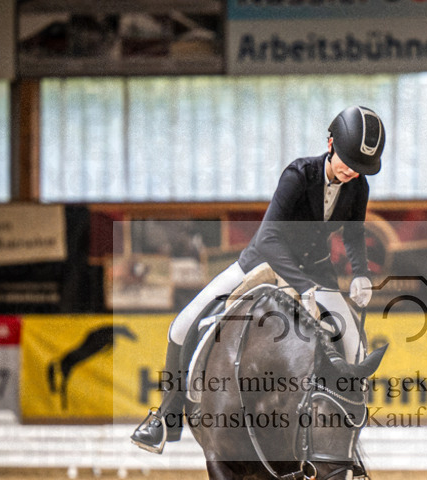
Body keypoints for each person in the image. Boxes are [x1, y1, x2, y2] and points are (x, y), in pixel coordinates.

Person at [131, 105, 386, 454]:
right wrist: (302, 287)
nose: (351, 172)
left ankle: (343, 441)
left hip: (316, 270)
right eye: (347, 162)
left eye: (359, 168)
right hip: (265, 262)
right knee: (182, 324)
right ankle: (166, 416)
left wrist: (360, 274)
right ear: (330, 144)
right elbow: (269, 237)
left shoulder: (358, 186)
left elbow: (353, 234)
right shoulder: (299, 175)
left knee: (354, 343)